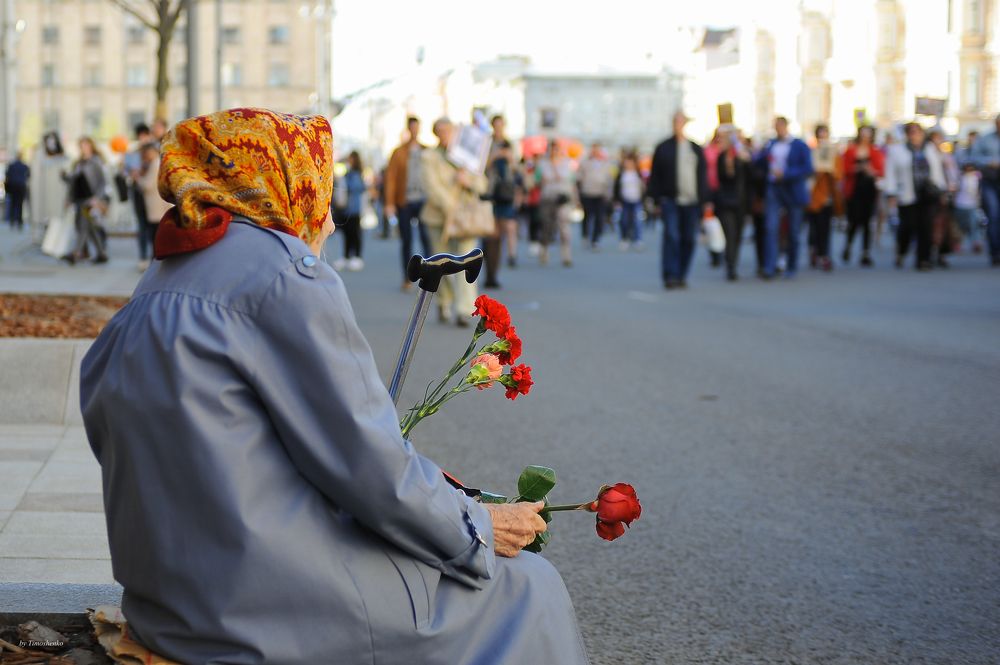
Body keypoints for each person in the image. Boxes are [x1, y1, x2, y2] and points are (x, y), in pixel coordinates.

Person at [79, 108, 584, 665]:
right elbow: (371, 468)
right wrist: (477, 526)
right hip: (258, 608)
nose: (326, 221)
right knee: (528, 586)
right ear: (286, 183)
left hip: (170, 605)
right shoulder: (285, 275)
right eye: (319, 192)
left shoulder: (156, 284)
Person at [421, 117, 489, 326]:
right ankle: (445, 301)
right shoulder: (429, 156)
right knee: (440, 266)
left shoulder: (467, 155)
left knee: (467, 262)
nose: (445, 134)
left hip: (465, 219)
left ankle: (464, 309)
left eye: (448, 130)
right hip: (437, 218)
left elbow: (482, 185)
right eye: (440, 130)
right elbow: (431, 186)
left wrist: (467, 180)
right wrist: (449, 206)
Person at [648, 110, 709, 289]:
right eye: (676, 122)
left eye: (682, 122)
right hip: (670, 200)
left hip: (692, 201)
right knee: (672, 236)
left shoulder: (695, 148)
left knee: (689, 238)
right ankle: (670, 274)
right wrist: (655, 199)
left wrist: (705, 200)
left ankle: (682, 273)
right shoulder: (663, 148)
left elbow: (703, 176)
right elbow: (655, 176)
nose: (678, 125)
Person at [753, 116, 814, 279]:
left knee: (793, 232)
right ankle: (769, 266)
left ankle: (791, 265)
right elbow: (760, 162)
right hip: (774, 189)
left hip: (792, 190)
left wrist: (786, 174)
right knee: (771, 228)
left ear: (785, 126)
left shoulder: (799, 145)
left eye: (780, 126)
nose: (777, 129)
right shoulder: (771, 144)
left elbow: (807, 168)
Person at [884, 122, 946, 271]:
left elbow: (937, 170)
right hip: (906, 194)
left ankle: (923, 259)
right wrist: (891, 192)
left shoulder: (929, 149)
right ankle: (902, 250)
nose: (915, 135)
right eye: (911, 132)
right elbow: (891, 172)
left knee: (926, 227)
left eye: (917, 132)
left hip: (928, 194)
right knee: (909, 226)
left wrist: (942, 190)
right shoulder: (897, 150)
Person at [385, 116, 433, 289]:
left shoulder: (426, 150)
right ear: (408, 129)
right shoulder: (399, 152)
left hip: (424, 200)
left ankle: (429, 274)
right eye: (412, 127)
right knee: (407, 240)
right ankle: (408, 278)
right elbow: (391, 178)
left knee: (426, 238)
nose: (415, 130)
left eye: (417, 127)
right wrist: (389, 203)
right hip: (404, 200)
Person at [841, 125, 885, 267]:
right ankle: (848, 245)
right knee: (854, 220)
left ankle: (865, 252)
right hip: (854, 190)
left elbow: (880, 171)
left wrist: (871, 171)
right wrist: (857, 168)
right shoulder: (851, 150)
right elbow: (844, 168)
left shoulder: (875, 151)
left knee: (867, 222)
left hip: (868, 190)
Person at [62, 137, 108, 265]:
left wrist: (97, 198)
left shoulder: (96, 162)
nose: (83, 148)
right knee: (89, 227)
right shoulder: (78, 163)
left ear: (91, 146)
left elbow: (102, 182)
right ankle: (101, 254)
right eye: (81, 146)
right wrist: (69, 198)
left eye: (86, 145)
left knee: (83, 224)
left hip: (91, 200)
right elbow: (74, 183)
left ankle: (76, 253)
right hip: (79, 199)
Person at [484, 115, 518, 285]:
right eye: (496, 125)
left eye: (501, 125)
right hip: (489, 191)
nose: (498, 128)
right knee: (490, 233)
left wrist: (509, 158)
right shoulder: (486, 143)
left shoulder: (510, 144)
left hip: (506, 192)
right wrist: (495, 156)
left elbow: (515, 168)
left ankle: (494, 272)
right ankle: (489, 272)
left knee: (501, 232)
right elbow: (482, 166)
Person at [714, 130, 750, 280]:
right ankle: (730, 267)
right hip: (726, 201)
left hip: (741, 202)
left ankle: (733, 263)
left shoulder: (742, 157)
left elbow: (751, 175)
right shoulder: (722, 157)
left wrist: (745, 159)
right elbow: (722, 177)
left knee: (737, 235)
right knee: (730, 233)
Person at [806, 124, 841, 272]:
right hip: (812, 195)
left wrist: (831, 172)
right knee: (814, 227)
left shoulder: (835, 154)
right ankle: (814, 249)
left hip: (827, 195)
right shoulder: (811, 152)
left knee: (825, 227)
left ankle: (824, 254)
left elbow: (839, 174)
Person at [538, 141, 577, 267]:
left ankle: (566, 255)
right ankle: (544, 250)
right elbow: (541, 179)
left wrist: (576, 199)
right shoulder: (543, 163)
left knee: (564, 227)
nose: (555, 152)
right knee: (547, 226)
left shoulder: (567, 163)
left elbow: (568, 180)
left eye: (557, 150)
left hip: (563, 198)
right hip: (548, 197)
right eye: (552, 150)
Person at [970, 113, 1000, 266]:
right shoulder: (986, 139)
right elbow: (974, 157)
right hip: (990, 181)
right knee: (993, 216)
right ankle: (995, 252)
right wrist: (989, 162)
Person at [125, 123, 155, 269]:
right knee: (142, 225)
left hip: (151, 195)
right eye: (140, 136)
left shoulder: (155, 151)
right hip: (138, 193)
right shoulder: (135, 153)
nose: (142, 139)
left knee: (152, 227)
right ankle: (143, 257)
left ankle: (152, 257)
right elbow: (128, 172)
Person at [928, 129, 959, 267]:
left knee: (945, 226)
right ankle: (931, 251)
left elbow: (954, 176)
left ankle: (942, 253)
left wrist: (951, 189)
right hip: (933, 194)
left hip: (947, 194)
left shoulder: (947, 157)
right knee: (933, 225)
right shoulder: (928, 155)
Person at [333, 151, 367, 272]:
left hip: (354, 210)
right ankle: (346, 256)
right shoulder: (348, 174)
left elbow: (357, 188)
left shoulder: (356, 174)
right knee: (347, 234)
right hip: (346, 210)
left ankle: (357, 257)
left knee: (355, 234)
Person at [134, 142, 168, 261]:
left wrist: (138, 178)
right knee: (154, 234)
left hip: (156, 204)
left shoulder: (155, 164)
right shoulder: (154, 163)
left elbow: (148, 185)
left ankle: (156, 258)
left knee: (155, 234)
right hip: (156, 204)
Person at [578, 142, 612, 249]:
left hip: (600, 193)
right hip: (588, 193)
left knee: (599, 217)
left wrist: (608, 193)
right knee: (587, 215)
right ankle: (585, 235)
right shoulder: (585, 163)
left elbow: (609, 180)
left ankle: (595, 239)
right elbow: (579, 178)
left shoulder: (605, 164)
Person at [613, 152, 645, 251]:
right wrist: (616, 200)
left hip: (636, 200)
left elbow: (643, 188)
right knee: (624, 220)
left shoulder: (638, 174)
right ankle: (624, 238)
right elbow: (616, 188)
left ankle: (638, 239)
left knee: (637, 221)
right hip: (625, 201)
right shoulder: (621, 174)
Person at [954, 162, 983, 253]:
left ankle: (976, 243)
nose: (969, 171)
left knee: (975, 225)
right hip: (960, 205)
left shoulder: (977, 178)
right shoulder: (960, 178)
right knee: (961, 226)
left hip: (973, 205)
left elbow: (979, 191)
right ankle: (960, 244)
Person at [4, 151, 30, 231]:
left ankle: (12, 221)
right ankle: (19, 222)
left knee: (12, 204)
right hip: (21, 187)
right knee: (20, 204)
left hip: (13, 187)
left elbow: (7, 175)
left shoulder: (11, 166)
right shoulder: (24, 166)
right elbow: (29, 175)